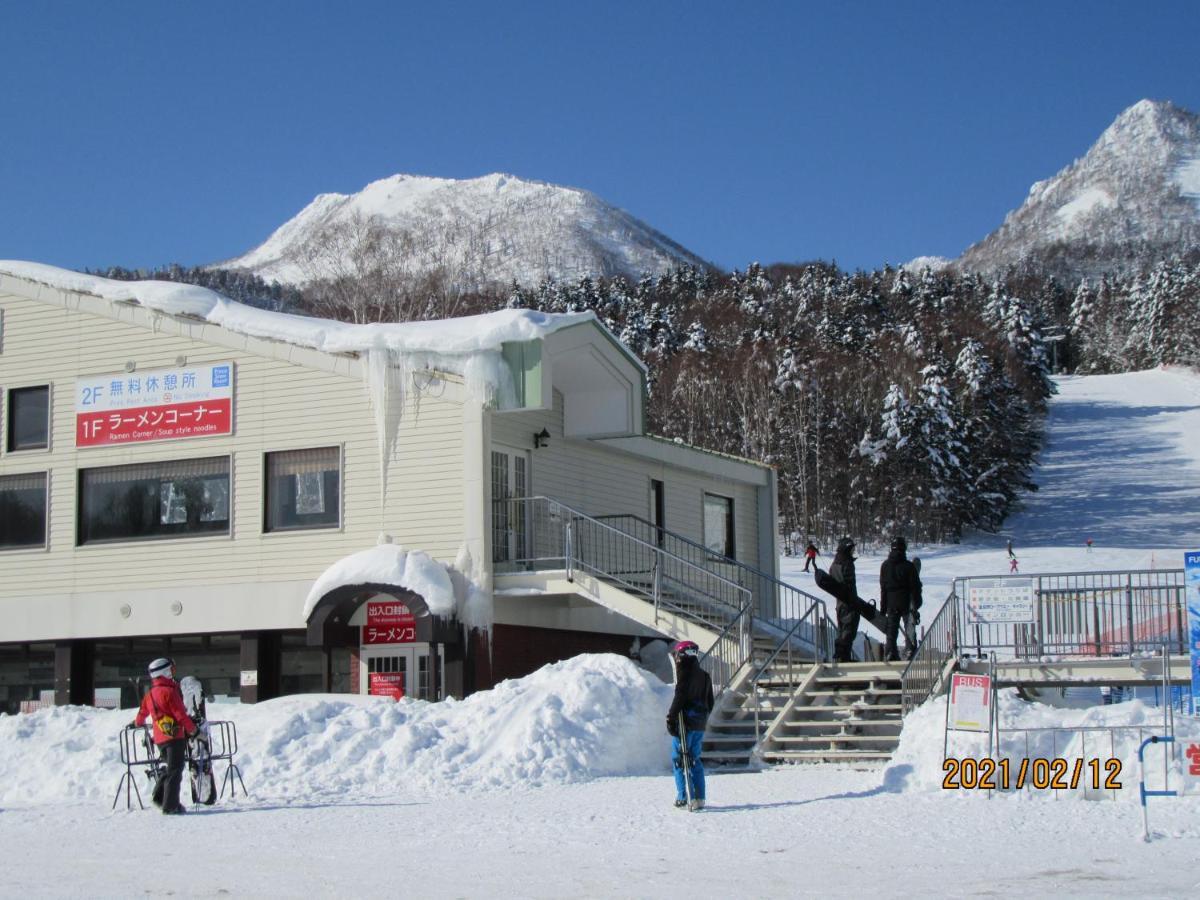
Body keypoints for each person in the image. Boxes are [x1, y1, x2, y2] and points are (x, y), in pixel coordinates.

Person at [132, 657, 198, 815]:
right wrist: (194, 731)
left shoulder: (151, 693)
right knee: (176, 770)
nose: (174, 673)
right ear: (165, 671)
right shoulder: (170, 691)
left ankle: (160, 797)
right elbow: (180, 715)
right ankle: (170, 806)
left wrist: (137, 723)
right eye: (172, 670)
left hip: (160, 739)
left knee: (170, 769)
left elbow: (142, 713)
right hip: (175, 737)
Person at [666, 640, 714, 811]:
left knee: (679, 760)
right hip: (699, 724)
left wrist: (670, 719)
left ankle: (683, 796)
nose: (677, 658)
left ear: (683, 654)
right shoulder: (705, 676)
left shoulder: (684, 674)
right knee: (694, 759)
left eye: (678, 655)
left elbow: (679, 698)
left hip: (684, 724)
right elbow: (710, 702)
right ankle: (700, 797)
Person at [879, 535, 923, 662]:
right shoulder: (909, 567)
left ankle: (890, 652)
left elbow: (883, 588)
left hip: (891, 603)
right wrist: (917, 604)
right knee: (909, 627)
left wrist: (883, 608)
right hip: (906, 602)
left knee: (891, 631)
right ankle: (910, 651)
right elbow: (915, 587)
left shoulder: (885, 566)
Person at [829, 537, 862, 663]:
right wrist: (853, 601)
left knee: (843, 629)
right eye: (852, 549)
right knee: (849, 630)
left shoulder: (835, 562)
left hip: (840, 603)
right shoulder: (847, 563)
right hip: (848, 603)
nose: (853, 551)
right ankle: (842, 655)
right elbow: (849, 584)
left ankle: (844, 655)